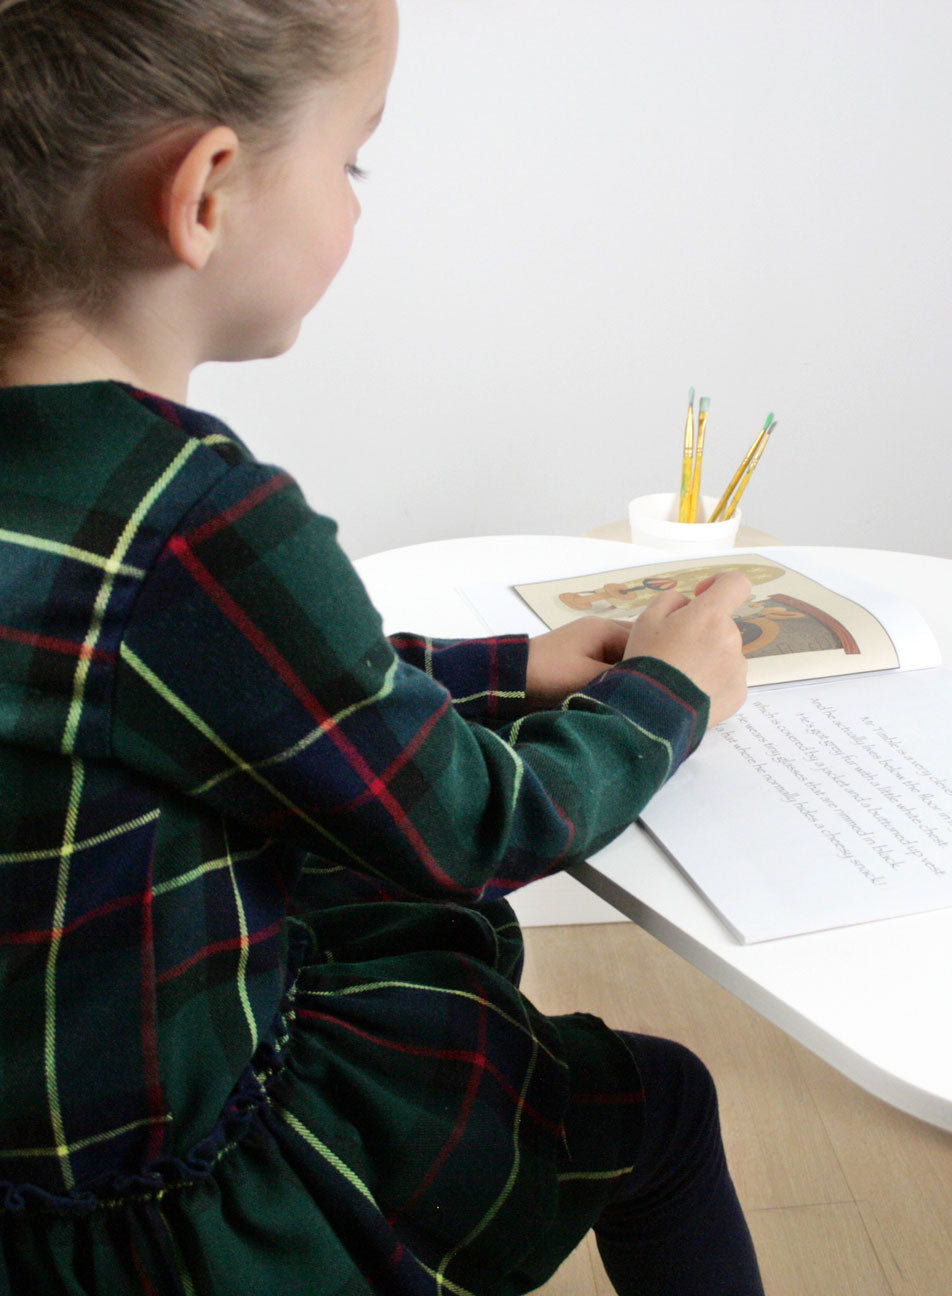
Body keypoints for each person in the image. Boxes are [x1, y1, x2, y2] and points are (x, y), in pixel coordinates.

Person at [0, 2, 766, 1293]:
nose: (358, 202)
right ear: (206, 191)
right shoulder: (189, 520)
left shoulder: (94, 535)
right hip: (139, 1208)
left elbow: (172, 686)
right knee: (658, 1108)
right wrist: (668, 691)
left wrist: (500, 669)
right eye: (352, 160)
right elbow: (467, 826)